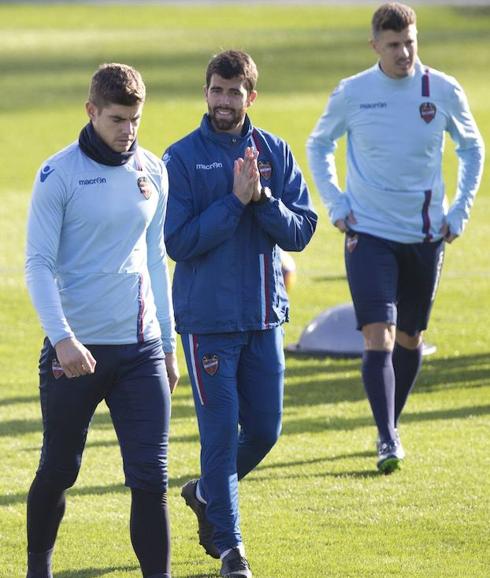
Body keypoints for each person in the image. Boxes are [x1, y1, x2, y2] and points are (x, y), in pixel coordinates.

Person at [307, 2, 484, 474]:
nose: (404, 52)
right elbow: (319, 144)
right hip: (368, 234)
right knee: (378, 336)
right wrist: (338, 205)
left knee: (410, 336)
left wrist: (459, 210)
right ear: (375, 46)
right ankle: (387, 438)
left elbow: (472, 149)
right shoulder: (353, 93)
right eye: (394, 45)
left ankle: (391, 422)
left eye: (410, 42)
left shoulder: (442, 90)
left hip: (425, 235)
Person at [163, 50, 317, 577]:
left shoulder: (273, 150)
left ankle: (205, 493)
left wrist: (262, 199)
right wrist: (233, 201)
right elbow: (178, 242)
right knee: (221, 437)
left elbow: (302, 230)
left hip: (264, 321)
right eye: (216, 90)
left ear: (251, 96)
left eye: (234, 92)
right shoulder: (180, 158)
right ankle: (231, 551)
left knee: (266, 431)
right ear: (204, 92)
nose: (224, 101)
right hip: (208, 325)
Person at [25, 63, 179, 578]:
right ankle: (37, 568)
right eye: (117, 119)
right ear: (92, 111)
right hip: (77, 352)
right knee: (60, 469)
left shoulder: (154, 171)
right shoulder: (58, 174)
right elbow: (38, 265)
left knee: (151, 478)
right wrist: (62, 339)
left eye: (135, 119)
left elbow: (156, 258)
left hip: (141, 350)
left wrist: (169, 344)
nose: (128, 130)